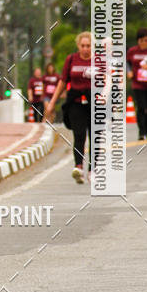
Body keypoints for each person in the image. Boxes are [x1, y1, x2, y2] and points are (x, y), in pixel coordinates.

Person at [45, 32, 93, 184]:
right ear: (78, 46)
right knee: (79, 135)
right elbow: (62, 82)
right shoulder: (71, 59)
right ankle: (78, 166)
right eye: (83, 46)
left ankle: (94, 169)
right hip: (75, 101)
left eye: (88, 46)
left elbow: (107, 80)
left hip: (95, 101)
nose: (85, 49)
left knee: (95, 137)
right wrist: (52, 102)